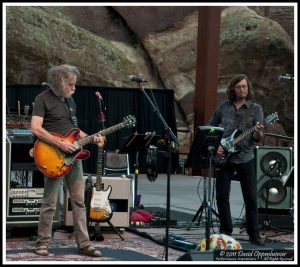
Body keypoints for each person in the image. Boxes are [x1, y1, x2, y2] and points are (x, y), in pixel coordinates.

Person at [31, 64, 104, 256]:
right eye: (71, 84)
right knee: (50, 202)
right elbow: (36, 128)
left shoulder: (71, 102)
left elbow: (75, 131)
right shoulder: (42, 99)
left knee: (79, 201)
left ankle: (85, 244)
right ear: (59, 82)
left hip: (74, 157)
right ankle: (42, 243)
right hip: (54, 156)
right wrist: (60, 144)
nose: (74, 88)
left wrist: (92, 137)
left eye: (74, 84)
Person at [208, 74, 265, 246]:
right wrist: (216, 144)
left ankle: (254, 234)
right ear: (233, 88)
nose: (242, 89)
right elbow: (211, 127)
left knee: (251, 197)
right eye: (239, 86)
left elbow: (258, 137)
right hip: (224, 156)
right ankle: (226, 231)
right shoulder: (224, 107)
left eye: (245, 87)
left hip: (245, 156)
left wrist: (258, 131)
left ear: (248, 89)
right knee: (221, 196)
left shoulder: (255, 109)